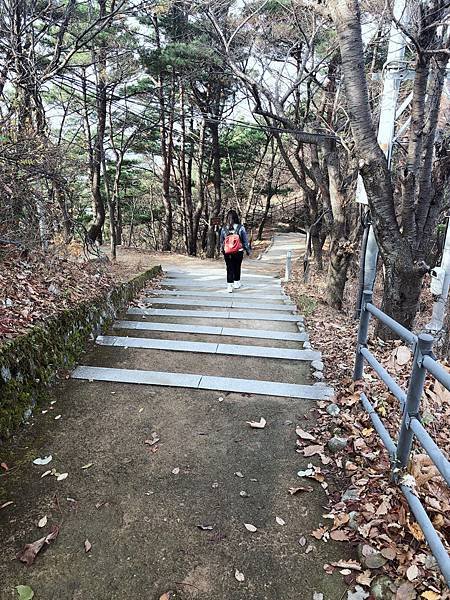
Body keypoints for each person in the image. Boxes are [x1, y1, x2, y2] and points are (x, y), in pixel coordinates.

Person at [219, 210, 251, 293]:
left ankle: (229, 286)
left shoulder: (223, 228)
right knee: (237, 266)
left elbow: (221, 241)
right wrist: (247, 250)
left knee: (229, 268)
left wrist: (221, 250)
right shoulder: (241, 227)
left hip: (227, 252)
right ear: (236, 218)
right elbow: (245, 240)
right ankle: (237, 283)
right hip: (238, 251)